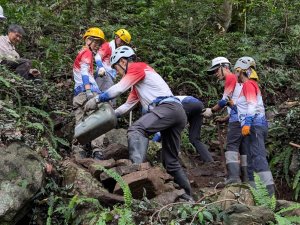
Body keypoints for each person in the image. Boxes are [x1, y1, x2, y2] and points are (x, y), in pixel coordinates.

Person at [84, 46, 193, 201]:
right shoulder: (139, 83)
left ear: (122, 61)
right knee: (171, 161)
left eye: (116, 68)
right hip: (176, 112)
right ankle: (188, 197)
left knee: (136, 129)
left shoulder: (136, 67)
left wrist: (96, 99)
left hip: (167, 108)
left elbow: (119, 89)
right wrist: (107, 117)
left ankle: (137, 173)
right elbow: (127, 106)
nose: (118, 73)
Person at [234, 58, 275, 196]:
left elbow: (251, 105)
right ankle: (255, 194)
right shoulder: (249, 85)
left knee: (258, 158)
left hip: (254, 125)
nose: (235, 74)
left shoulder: (248, 84)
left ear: (241, 70)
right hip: (253, 126)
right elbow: (243, 106)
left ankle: (269, 196)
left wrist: (247, 123)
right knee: (251, 160)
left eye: (236, 71)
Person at [203, 57, 247, 184]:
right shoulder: (238, 80)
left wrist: (211, 110)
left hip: (237, 120)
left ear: (225, 67)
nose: (215, 74)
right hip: (245, 118)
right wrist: (225, 118)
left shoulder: (231, 77)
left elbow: (225, 100)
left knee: (232, 146)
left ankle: (233, 178)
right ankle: (247, 179)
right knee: (243, 148)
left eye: (216, 70)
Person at [153, 96, 214, 162]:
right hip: (198, 105)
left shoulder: (163, 106)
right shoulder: (168, 100)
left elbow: (163, 128)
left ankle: (176, 158)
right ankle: (209, 161)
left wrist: (153, 143)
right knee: (194, 138)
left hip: (187, 104)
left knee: (174, 129)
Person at [73, 27, 105, 125]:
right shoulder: (87, 52)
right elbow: (84, 73)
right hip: (88, 91)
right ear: (88, 40)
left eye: (99, 44)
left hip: (78, 94)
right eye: (95, 42)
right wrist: (88, 91)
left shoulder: (82, 52)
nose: (97, 46)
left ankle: (79, 140)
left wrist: (99, 69)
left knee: (81, 127)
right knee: (97, 124)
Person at [94, 29, 131, 93]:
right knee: (106, 96)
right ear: (116, 37)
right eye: (121, 41)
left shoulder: (120, 51)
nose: (122, 43)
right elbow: (98, 56)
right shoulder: (108, 45)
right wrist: (101, 67)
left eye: (124, 43)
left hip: (111, 77)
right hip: (104, 74)